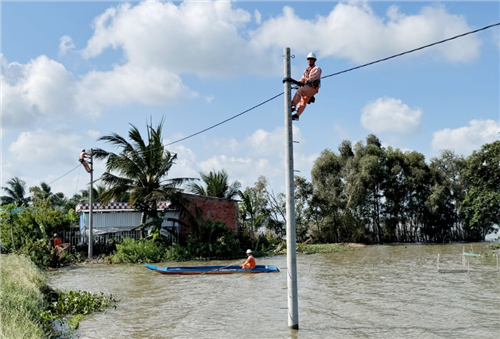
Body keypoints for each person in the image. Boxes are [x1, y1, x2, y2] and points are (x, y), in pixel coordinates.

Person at [283, 52, 322, 121]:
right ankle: (297, 115)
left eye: (311, 59)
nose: (310, 61)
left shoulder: (317, 68)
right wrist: (297, 82)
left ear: (314, 60)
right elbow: (302, 79)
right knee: (303, 101)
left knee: (300, 90)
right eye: (309, 59)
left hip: (313, 88)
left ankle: (293, 105)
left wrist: (309, 80)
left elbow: (315, 76)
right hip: (308, 88)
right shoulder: (306, 71)